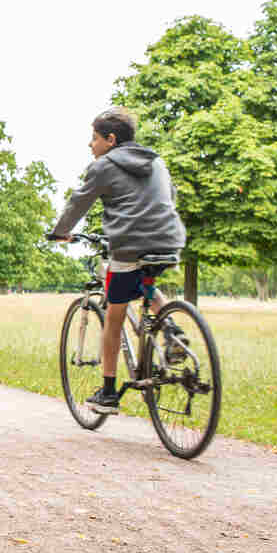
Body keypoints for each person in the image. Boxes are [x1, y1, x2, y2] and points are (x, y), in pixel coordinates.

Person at [48, 107, 186, 414]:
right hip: (168, 240)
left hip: (129, 246)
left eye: (94, 138)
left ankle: (108, 393)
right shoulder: (157, 161)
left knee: (114, 315)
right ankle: (172, 330)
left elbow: (78, 202)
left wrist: (60, 233)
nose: (90, 145)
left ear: (110, 140)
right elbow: (170, 197)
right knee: (146, 285)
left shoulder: (103, 167)